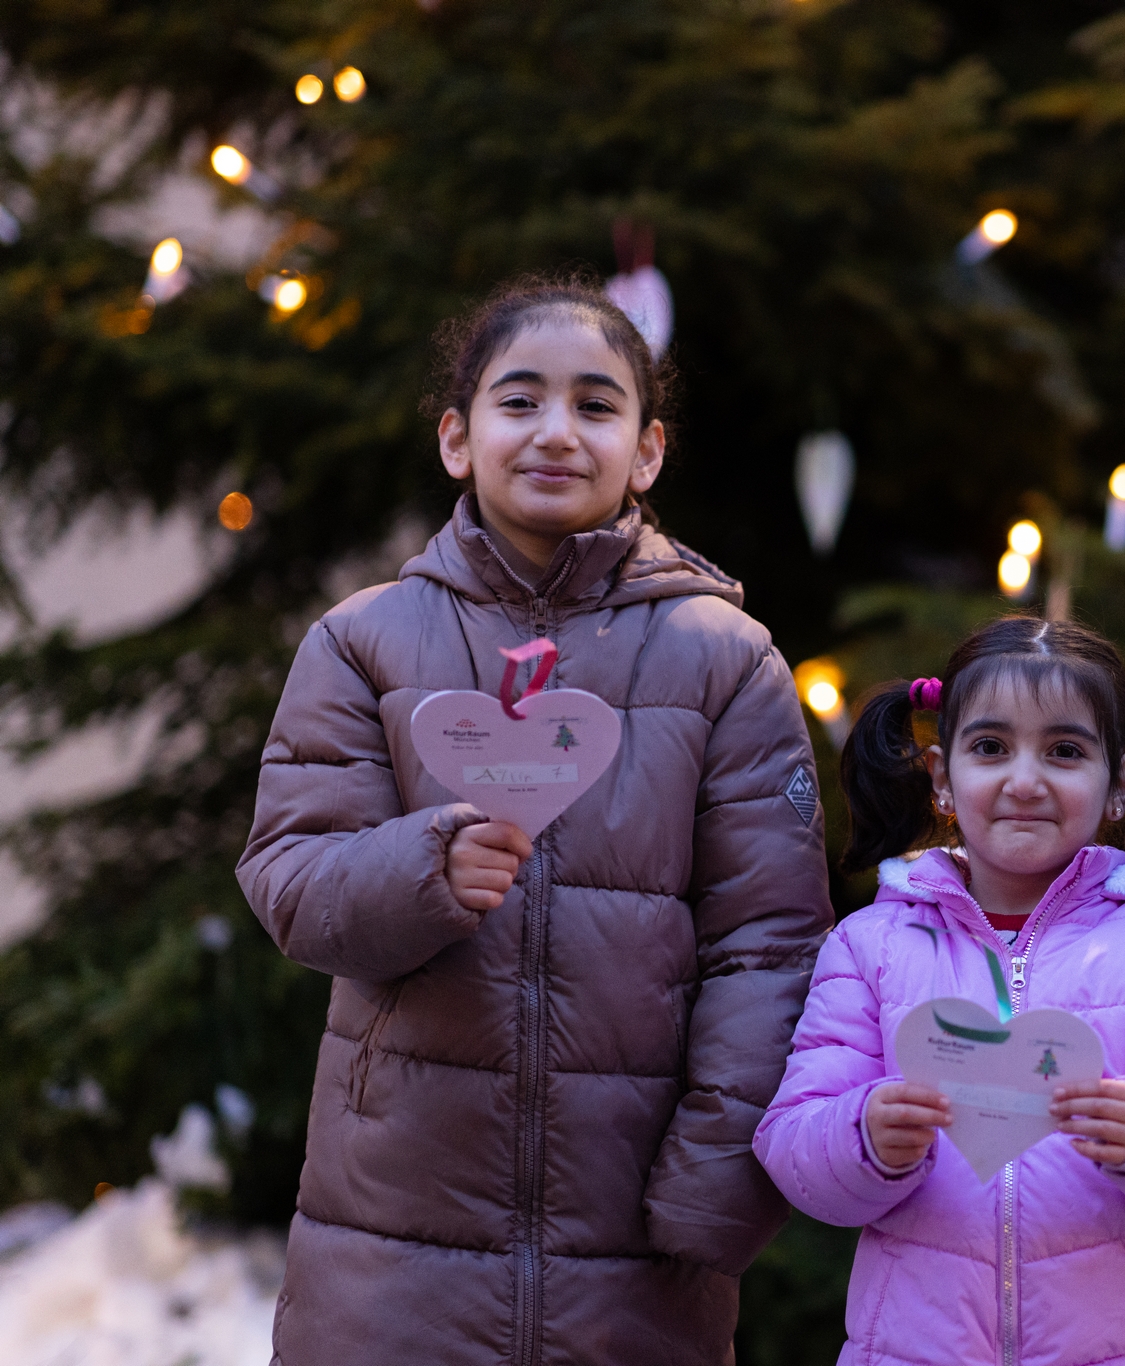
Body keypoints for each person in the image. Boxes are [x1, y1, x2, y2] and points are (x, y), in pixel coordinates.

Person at [237, 279, 834, 1365]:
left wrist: (713, 1184)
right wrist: (422, 869)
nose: (557, 432)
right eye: (521, 402)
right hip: (390, 1242)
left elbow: (771, 945)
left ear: (646, 452)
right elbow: (291, 878)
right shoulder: (363, 644)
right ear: (458, 438)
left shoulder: (722, 660)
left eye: (596, 406)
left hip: (633, 1240)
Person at [753, 617, 1125, 1366]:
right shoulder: (871, 948)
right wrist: (866, 1136)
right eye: (990, 748)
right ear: (941, 775)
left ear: (1121, 783)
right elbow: (793, 1148)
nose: (1024, 780)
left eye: (1065, 751)